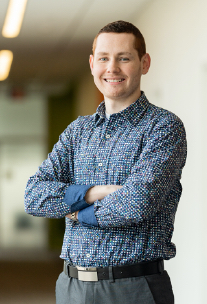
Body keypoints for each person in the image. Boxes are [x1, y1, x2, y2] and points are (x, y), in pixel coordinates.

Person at [24, 20, 187, 304]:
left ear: (144, 63)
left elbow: (136, 203)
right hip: (71, 287)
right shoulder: (78, 131)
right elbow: (34, 196)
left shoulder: (163, 127)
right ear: (92, 64)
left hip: (133, 288)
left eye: (124, 58)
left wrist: (76, 212)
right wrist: (94, 192)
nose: (112, 68)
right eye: (104, 58)